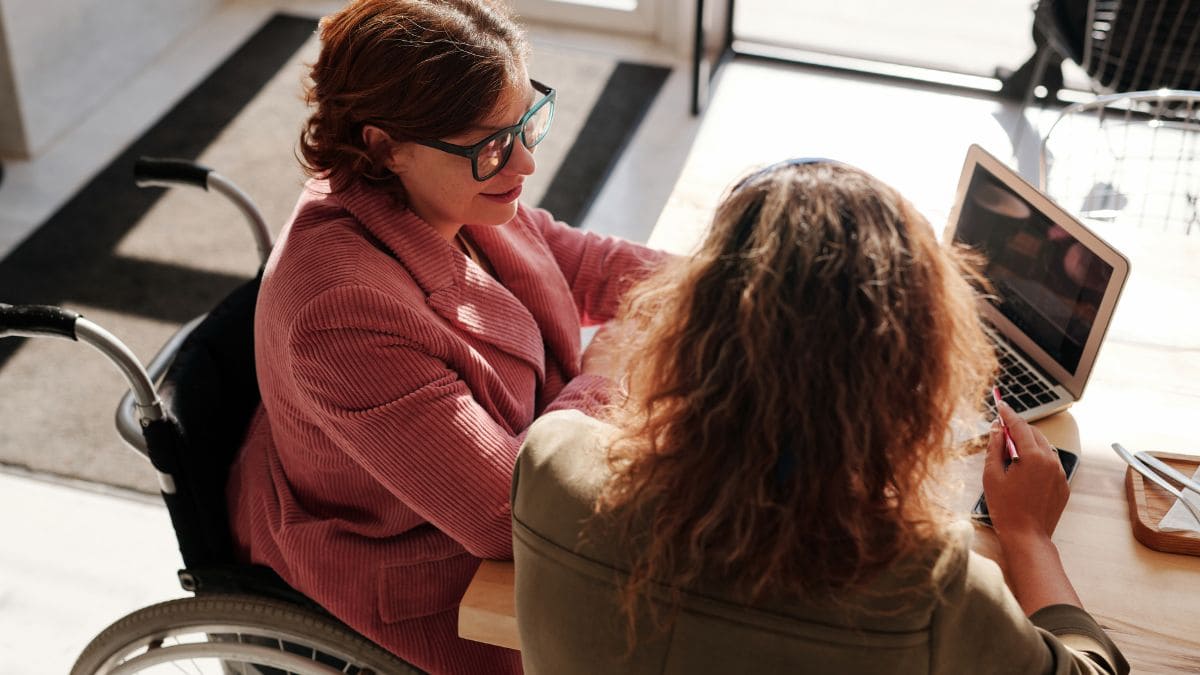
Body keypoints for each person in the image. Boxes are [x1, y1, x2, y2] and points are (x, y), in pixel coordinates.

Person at [511, 159, 1129, 674]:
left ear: (686, 325)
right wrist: (1029, 537)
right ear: (910, 379)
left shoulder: (549, 460)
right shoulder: (927, 585)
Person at [225, 1, 663, 672]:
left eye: (528, 122)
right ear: (382, 145)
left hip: (485, 492)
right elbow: (503, 514)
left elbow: (578, 260)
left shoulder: (449, 185)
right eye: (493, 145)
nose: (524, 164)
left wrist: (740, 280)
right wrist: (607, 368)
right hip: (424, 574)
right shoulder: (342, 311)